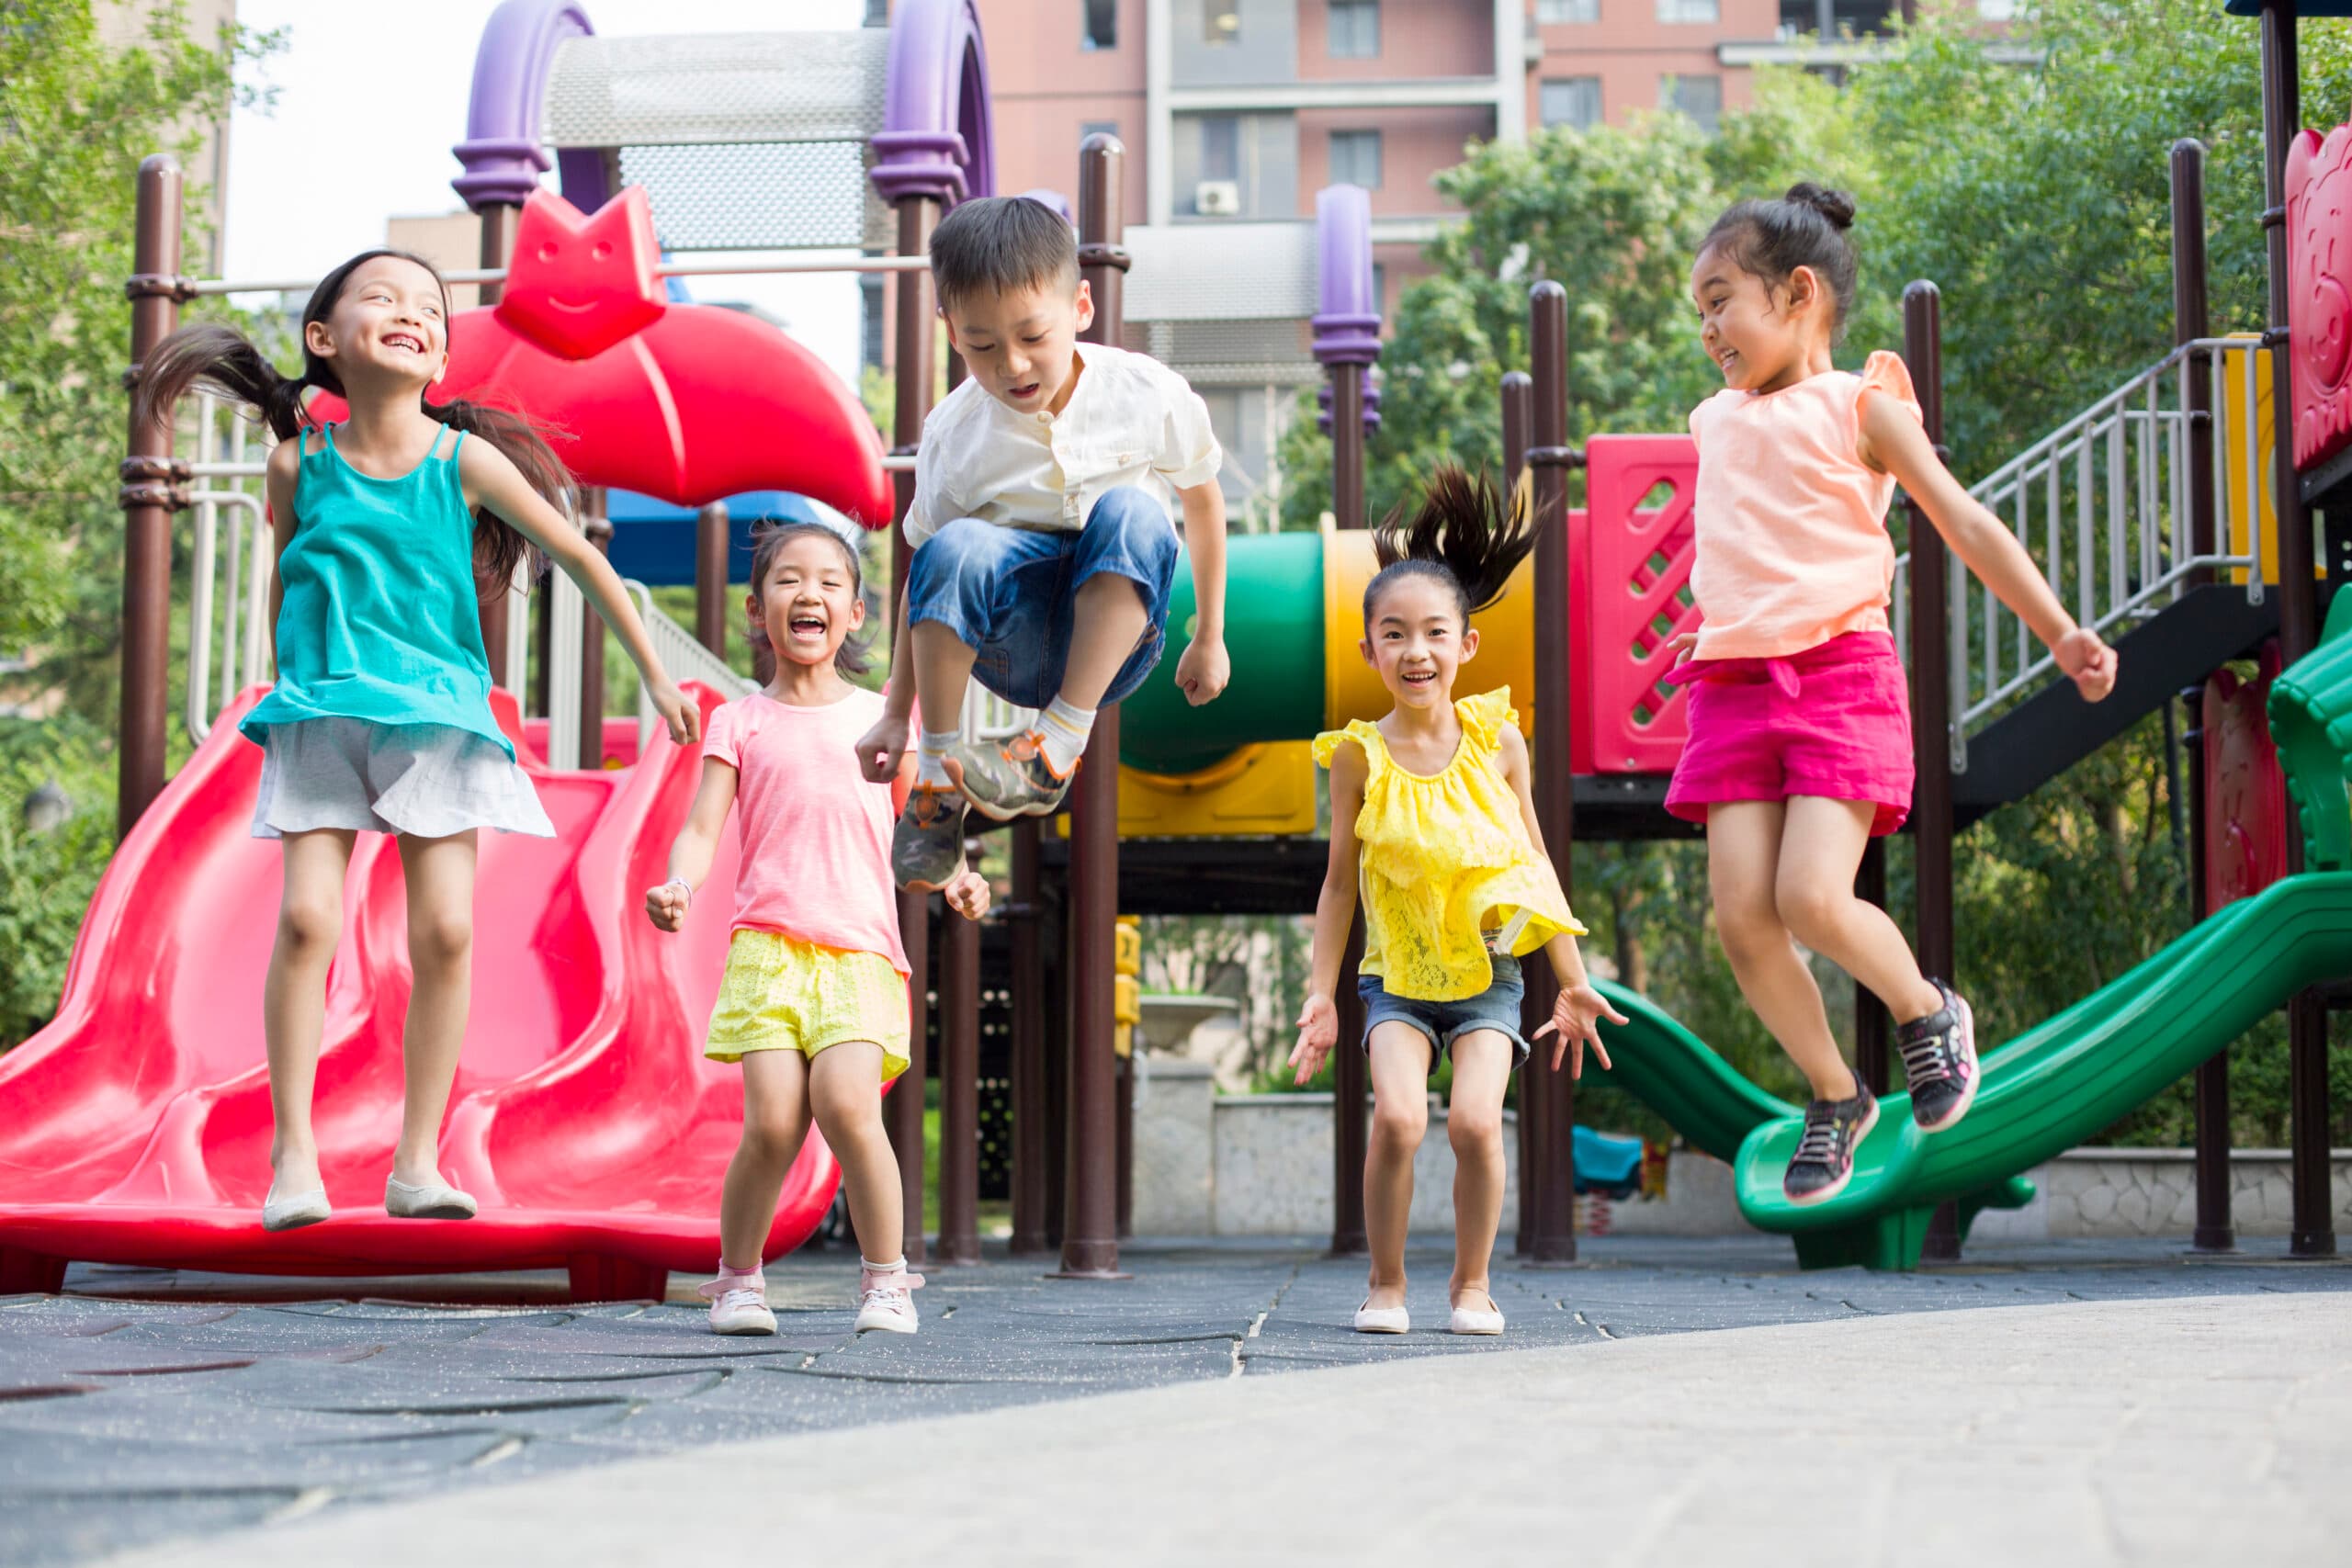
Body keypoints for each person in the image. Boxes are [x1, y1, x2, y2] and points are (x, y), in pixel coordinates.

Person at [134, 249, 700, 1233]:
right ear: (324, 339)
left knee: (444, 931)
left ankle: (416, 1161)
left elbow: (574, 551)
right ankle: (293, 1157)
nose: (413, 313)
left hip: (438, 715)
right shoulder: (297, 465)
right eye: (384, 298)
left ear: (440, 356)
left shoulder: (460, 462)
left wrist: (653, 672)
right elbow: (288, 578)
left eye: (429, 309)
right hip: (321, 709)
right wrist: (281, 679)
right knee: (307, 920)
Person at [1672, 184, 2119, 1204]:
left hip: (1838, 674)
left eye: (1720, 301)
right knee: (1743, 918)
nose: (1707, 330)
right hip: (1732, 684)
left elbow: (1963, 521)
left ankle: (1926, 1011)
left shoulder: (1861, 405)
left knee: (1809, 896)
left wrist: (2059, 631)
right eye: (1698, 311)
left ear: (1797, 293)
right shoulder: (1713, 420)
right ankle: (1837, 1096)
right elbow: (1744, 543)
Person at [1289, 468, 1624, 1337]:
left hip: (1489, 980)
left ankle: (1472, 1286)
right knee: (1401, 1119)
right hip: (1395, 979)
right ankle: (1386, 1284)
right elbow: (1338, 882)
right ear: (1368, 651)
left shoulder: (1498, 742)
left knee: (1476, 1122)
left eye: (1435, 632)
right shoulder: (1358, 756)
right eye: (1394, 634)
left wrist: (1574, 979)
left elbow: (1534, 862)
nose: (1416, 651)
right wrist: (1322, 994)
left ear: (1466, 644)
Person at [648, 520, 989, 1337]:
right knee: (771, 1122)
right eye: (789, 580)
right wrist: (679, 882)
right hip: (767, 949)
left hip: (861, 951)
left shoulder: (883, 719)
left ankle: (887, 1280)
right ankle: (737, 1281)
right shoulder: (740, 721)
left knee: (846, 1104)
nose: (810, 594)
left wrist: (960, 877)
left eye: (830, 582)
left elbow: (924, 828)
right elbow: (702, 827)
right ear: (756, 609)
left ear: (857, 613)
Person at [853, 196, 1231, 886]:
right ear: (950, 332)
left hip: (1116, 641)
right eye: (983, 346)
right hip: (1008, 642)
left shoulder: (1145, 391)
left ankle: (1055, 747)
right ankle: (936, 781)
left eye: (1033, 336)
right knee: (950, 546)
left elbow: (1202, 502)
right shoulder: (954, 432)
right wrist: (895, 714)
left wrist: (1210, 635)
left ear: (1080, 307)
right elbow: (926, 578)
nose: (1013, 365)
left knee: (1135, 512)